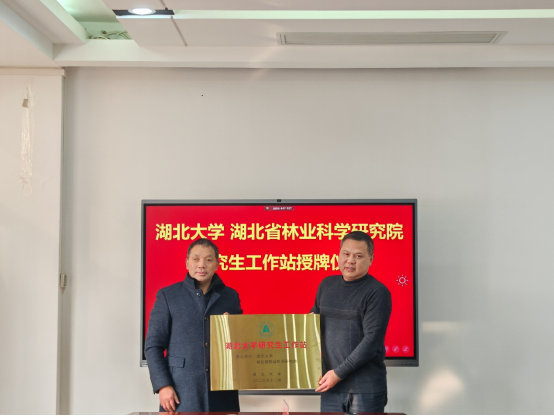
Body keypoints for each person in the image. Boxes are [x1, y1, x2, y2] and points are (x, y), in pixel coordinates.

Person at [145, 238, 242, 413]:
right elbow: (153, 346)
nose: (201, 265)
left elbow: (240, 344)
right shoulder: (168, 296)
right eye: (196, 259)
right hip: (180, 392)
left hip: (222, 393)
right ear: (187, 263)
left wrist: (233, 329)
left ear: (217, 264)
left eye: (208, 259)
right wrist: (163, 385)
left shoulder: (230, 296)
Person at [311, 231, 392, 413]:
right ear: (338, 255)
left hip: (365, 390)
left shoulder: (377, 292)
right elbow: (312, 323)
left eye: (358, 256)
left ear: (371, 259)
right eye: (346, 254)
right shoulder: (326, 285)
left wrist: (338, 374)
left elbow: (371, 341)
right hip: (331, 386)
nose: (350, 261)